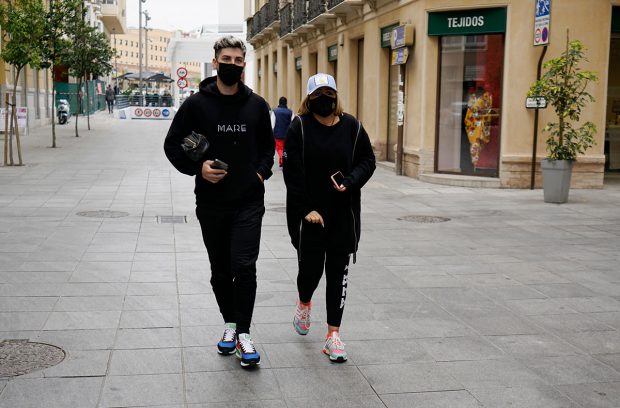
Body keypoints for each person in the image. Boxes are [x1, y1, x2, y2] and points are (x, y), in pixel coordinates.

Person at [164, 35, 275, 368]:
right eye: (226, 59)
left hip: (249, 203)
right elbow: (172, 145)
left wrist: (260, 174)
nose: (232, 65)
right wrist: (197, 168)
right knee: (220, 270)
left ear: (244, 65)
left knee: (244, 266)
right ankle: (229, 323)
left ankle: (243, 333)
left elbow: (269, 148)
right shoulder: (197, 105)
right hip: (211, 204)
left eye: (239, 60)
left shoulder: (256, 105)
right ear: (216, 63)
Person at [283, 73, 375, 362]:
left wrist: (351, 180)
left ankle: (333, 335)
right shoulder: (299, 127)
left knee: (338, 274)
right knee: (310, 273)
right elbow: (292, 173)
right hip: (311, 217)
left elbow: (367, 161)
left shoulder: (352, 127)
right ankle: (304, 302)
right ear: (308, 99)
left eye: (329, 92)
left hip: (342, 215)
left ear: (336, 95)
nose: (324, 98)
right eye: (318, 93)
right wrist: (305, 209)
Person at [272, 96, 293, 167]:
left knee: (279, 148)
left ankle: (282, 159)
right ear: (286, 103)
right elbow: (293, 123)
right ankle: (282, 162)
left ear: (279, 102)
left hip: (278, 134)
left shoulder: (275, 111)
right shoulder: (290, 112)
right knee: (285, 148)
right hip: (288, 134)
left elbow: (272, 123)